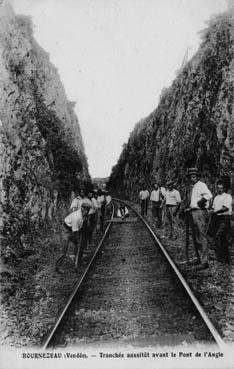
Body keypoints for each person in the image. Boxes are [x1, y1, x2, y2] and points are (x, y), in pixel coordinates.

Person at [186, 168, 212, 270]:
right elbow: (194, 201)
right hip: (193, 212)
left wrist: (200, 202)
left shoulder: (201, 185)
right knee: (196, 237)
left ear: (197, 177)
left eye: (194, 176)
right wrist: (190, 208)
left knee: (201, 236)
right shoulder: (193, 187)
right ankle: (199, 259)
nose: (192, 178)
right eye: (191, 177)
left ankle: (205, 261)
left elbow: (209, 195)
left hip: (200, 212)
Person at [56, 203, 91, 270]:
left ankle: (77, 262)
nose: (86, 212)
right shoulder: (76, 217)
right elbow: (75, 232)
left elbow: (83, 226)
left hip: (75, 229)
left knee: (80, 245)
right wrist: (78, 241)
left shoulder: (85, 215)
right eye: (85, 210)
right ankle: (58, 266)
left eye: (88, 210)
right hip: (66, 230)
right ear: (82, 209)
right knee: (64, 248)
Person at [210, 180, 232, 264]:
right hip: (216, 219)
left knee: (220, 236)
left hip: (225, 218)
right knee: (219, 238)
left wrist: (215, 212)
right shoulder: (216, 197)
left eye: (221, 188)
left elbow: (225, 208)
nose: (219, 190)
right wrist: (211, 210)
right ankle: (221, 258)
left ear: (224, 188)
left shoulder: (227, 196)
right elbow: (214, 207)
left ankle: (225, 258)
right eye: (218, 188)